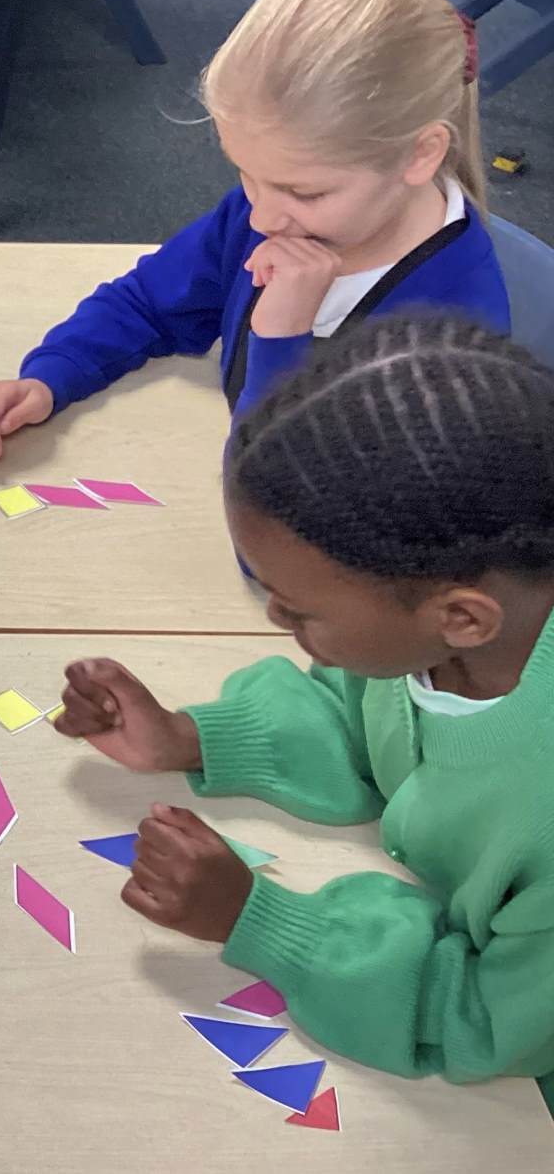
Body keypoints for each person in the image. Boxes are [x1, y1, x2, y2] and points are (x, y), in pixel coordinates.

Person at [54, 316, 554, 1103]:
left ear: (461, 617)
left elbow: (482, 1019)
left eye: (299, 610)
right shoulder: (457, 626)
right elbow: (364, 710)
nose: (275, 620)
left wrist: (261, 919)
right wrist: (190, 737)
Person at [0, 0, 508, 465]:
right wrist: (52, 374)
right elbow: (149, 302)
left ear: (420, 155)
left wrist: (281, 335)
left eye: (305, 193)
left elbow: (289, 502)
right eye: (245, 173)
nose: (261, 218)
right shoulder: (272, 207)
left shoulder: (452, 337)